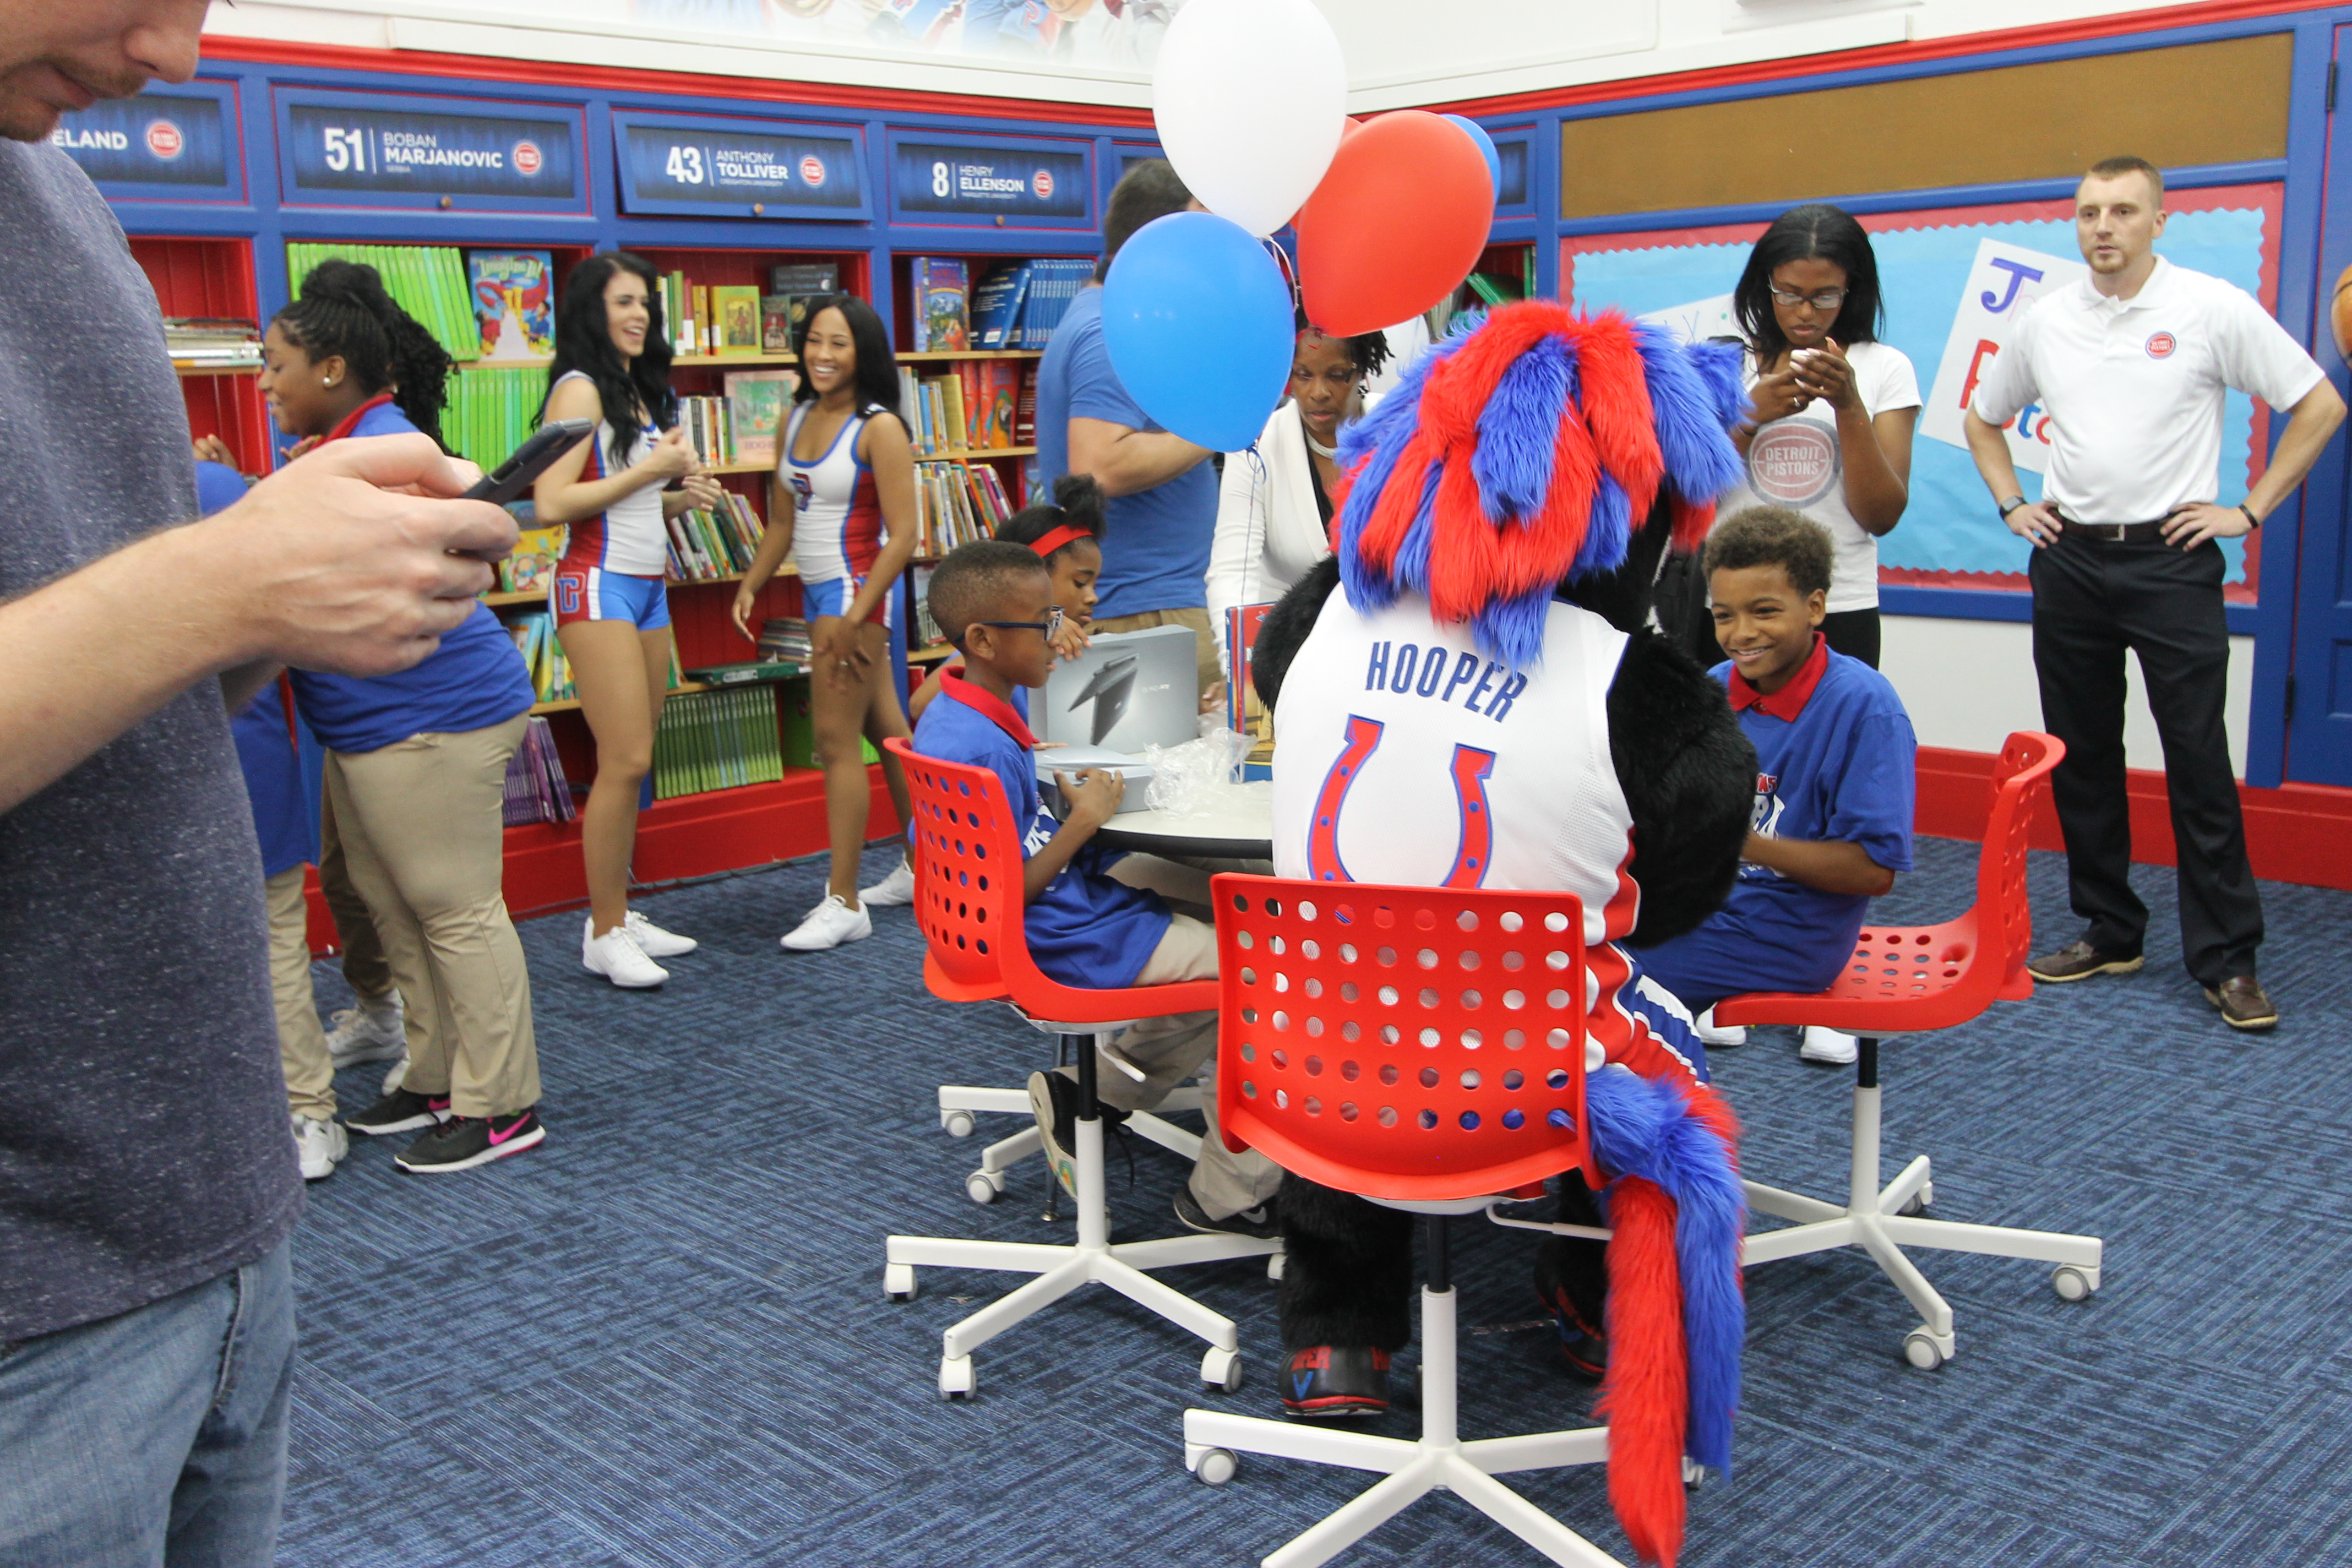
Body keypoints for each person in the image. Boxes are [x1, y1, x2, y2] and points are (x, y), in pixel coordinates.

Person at [0, 4, 516, 1559]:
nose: (175, 55)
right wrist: (227, 590)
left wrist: (280, 593)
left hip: (206, 1226)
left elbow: (107, 653)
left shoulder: (63, 193)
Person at [1248, 301, 1749, 1544]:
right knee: (1642, 1033)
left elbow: (1269, 681)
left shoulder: (1317, 617)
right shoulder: (1638, 685)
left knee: (1359, 997)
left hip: (1305, 1058)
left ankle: (1336, 1335)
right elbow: (1684, 891)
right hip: (1516, 1082)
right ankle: (1586, 1296)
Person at [1964, 155, 2347, 1033]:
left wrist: (2247, 510)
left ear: (2158, 221)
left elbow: (2319, 404)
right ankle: (2111, 928)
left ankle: (2227, 959)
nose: (2104, 227)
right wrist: (2013, 504)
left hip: (2172, 565)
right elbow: (1984, 419)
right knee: (2086, 753)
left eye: (2124, 211)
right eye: (2091, 211)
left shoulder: (2208, 306)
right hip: (2069, 562)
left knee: (2197, 762)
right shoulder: (2046, 319)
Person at [257, 259, 549, 1174]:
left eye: (276, 365)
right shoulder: (321, 451)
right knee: (393, 907)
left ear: (331, 369)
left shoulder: (384, 447)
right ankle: (434, 1070)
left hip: (433, 718)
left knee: (455, 910)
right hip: (368, 723)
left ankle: (502, 1102)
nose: (264, 383)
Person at [912, 541, 1283, 1238]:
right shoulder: (983, 745)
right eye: (1043, 623)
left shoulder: (957, 714)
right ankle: (1229, 1194)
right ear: (985, 640)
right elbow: (1008, 892)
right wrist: (1081, 822)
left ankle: (1089, 1094)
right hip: (1060, 937)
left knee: (1241, 898)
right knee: (1269, 965)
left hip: (1037, 923)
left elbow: (945, 850)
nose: (1061, 635)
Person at [1632, 507, 1918, 1068]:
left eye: (1765, 612)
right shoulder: (1713, 687)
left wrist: (1735, 839)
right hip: (1706, 903)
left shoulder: (1866, 708)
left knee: (1593, 971)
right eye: (1724, 615)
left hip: (1790, 934)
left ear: (1815, 607)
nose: (1742, 633)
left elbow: (1872, 871)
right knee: (1563, 930)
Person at [535, 251, 722, 988]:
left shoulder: (634, 389)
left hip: (647, 587)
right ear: (592, 311)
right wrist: (650, 474)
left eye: (645, 302)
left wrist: (677, 499)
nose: (639, 314)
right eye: (623, 303)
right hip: (597, 586)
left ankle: (616, 911)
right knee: (625, 761)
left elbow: (625, 500)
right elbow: (550, 503)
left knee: (639, 757)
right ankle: (604, 928)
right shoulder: (578, 391)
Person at [733, 294, 919, 951]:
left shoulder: (879, 428)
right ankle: (931, 865)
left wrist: (856, 615)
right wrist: (752, 583)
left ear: (862, 351)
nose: (822, 354)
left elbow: (905, 536)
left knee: (837, 745)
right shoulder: (795, 417)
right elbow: (782, 522)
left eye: (838, 343)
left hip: (854, 594)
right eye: (814, 340)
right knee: (889, 731)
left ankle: (844, 900)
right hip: (817, 596)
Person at [1035, 159, 1224, 699]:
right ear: (1151, 245)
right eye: (1192, 243)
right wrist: (1221, 427)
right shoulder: (1106, 329)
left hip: (1148, 607)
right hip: (1147, 612)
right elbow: (1100, 465)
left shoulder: (1104, 316)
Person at [1706, 203, 1920, 671]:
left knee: (1833, 740)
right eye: (1788, 294)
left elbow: (1881, 514)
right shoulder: (1724, 364)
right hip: (1728, 609)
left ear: (1852, 290)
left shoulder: (1885, 367)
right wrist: (1748, 418)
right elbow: (1688, 500)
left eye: (1825, 297)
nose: (1805, 312)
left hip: (1838, 605)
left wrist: (1848, 404)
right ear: (1764, 287)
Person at [1205, 322, 1392, 655]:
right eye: (1302, 375)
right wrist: (1241, 666)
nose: (1317, 392)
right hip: (1289, 648)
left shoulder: (1401, 429)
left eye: (1337, 375)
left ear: (1362, 371)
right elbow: (1232, 571)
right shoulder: (1255, 444)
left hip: (1385, 640)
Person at [907, 472, 1105, 723]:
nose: (1093, 597)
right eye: (1080, 583)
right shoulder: (992, 649)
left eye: (1095, 584)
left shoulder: (1076, 644)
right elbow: (919, 704)